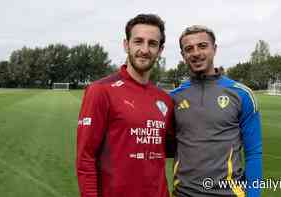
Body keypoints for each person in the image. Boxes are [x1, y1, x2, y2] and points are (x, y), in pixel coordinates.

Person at [76, 14, 174, 197]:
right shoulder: (101, 90)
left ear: (160, 50)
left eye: (152, 43)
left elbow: (169, 147)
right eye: (138, 41)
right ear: (126, 44)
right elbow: (85, 158)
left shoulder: (165, 99)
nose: (145, 49)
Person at [170, 25, 262, 197]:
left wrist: (254, 195)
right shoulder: (173, 98)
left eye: (202, 46)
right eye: (189, 49)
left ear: (215, 49)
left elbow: (254, 153)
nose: (196, 53)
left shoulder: (241, 94)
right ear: (183, 56)